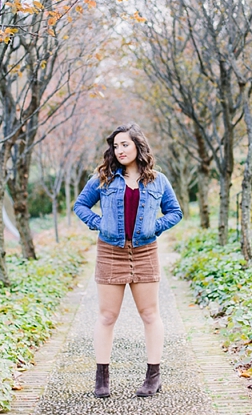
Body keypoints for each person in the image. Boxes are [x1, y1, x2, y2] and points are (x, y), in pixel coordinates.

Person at [73, 123, 183, 399]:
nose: (119, 150)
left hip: (145, 251)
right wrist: (100, 223)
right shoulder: (103, 178)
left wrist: (154, 227)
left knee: (150, 314)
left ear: (138, 146)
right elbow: (80, 205)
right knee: (107, 316)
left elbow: (175, 211)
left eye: (125, 144)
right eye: (116, 145)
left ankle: (153, 377)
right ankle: (101, 379)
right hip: (111, 251)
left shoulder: (158, 180)